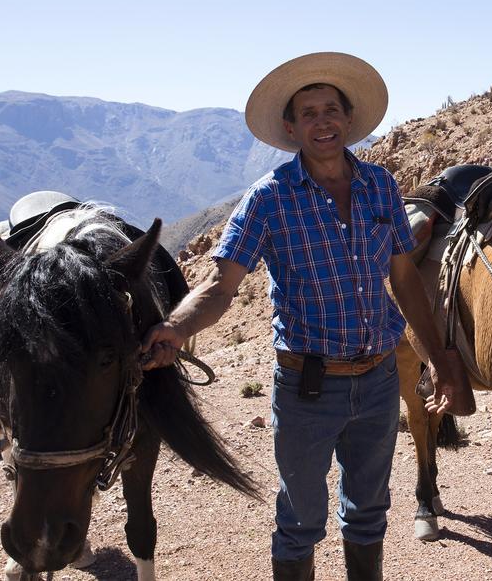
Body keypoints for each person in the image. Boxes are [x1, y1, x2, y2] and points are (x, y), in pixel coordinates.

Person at [141, 52, 474, 580]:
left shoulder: (380, 187)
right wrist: (178, 328)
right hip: (307, 388)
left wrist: (442, 359)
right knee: (300, 518)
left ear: (347, 120)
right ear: (292, 128)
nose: (323, 122)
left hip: (381, 380)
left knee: (369, 512)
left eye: (331, 110)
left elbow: (405, 279)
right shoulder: (268, 200)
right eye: (309, 113)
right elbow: (221, 286)